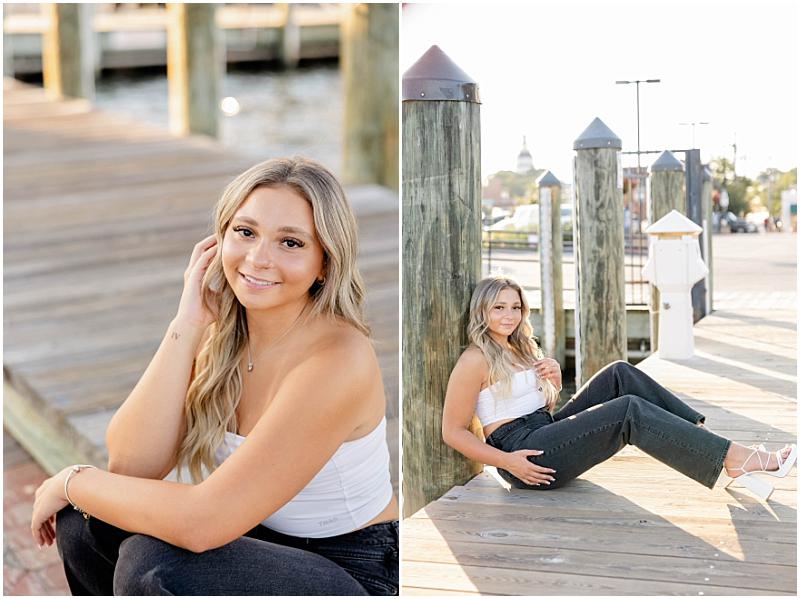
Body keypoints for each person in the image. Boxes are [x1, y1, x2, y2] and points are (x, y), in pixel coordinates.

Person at [31, 157, 399, 596]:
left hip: (356, 569)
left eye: (291, 243)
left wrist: (70, 479)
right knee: (85, 523)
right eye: (245, 232)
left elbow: (202, 524)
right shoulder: (225, 335)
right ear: (218, 239)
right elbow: (131, 467)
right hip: (259, 541)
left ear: (325, 263)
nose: (258, 259)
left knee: (153, 567)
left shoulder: (338, 359)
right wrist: (187, 325)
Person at [442, 275, 796, 500]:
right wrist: (507, 463)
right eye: (499, 307)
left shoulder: (520, 347)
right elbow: (453, 432)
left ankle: (705, 438)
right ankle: (735, 458)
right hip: (524, 458)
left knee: (620, 374)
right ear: (482, 311)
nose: (510, 315)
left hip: (543, 433)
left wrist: (553, 383)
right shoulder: (475, 359)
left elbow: (542, 413)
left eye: (515, 307)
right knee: (629, 410)